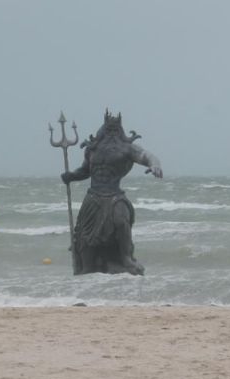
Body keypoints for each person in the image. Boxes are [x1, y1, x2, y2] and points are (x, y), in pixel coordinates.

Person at [61, 110, 163, 275]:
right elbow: (85, 171)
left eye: (115, 130)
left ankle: (126, 258)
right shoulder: (92, 149)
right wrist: (71, 176)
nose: (112, 133)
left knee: (121, 221)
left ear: (121, 131)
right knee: (85, 238)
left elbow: (146, 156)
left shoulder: (127, 149)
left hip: (115, 195)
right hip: (93, 197)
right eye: (109, 129)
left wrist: (155, 165)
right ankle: (86, 271)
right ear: (102, 130)